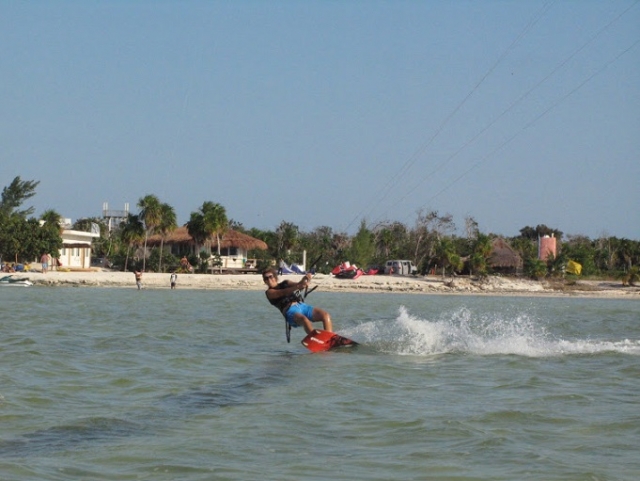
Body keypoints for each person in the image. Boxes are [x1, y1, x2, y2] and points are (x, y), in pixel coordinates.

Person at [262, 268, 333, 335]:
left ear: (275, 277)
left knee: (325, 315)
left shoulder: (285, 283)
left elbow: (299, 284)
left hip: (302, 306)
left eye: (270, 277)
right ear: (265, 281)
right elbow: (283, 292)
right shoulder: (269, 292)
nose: (269, 279)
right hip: (290, 311)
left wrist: (305, 279)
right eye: (266, 278)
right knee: (304, 320)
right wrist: (299, 286)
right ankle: (315, 338)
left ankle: (329, 338)